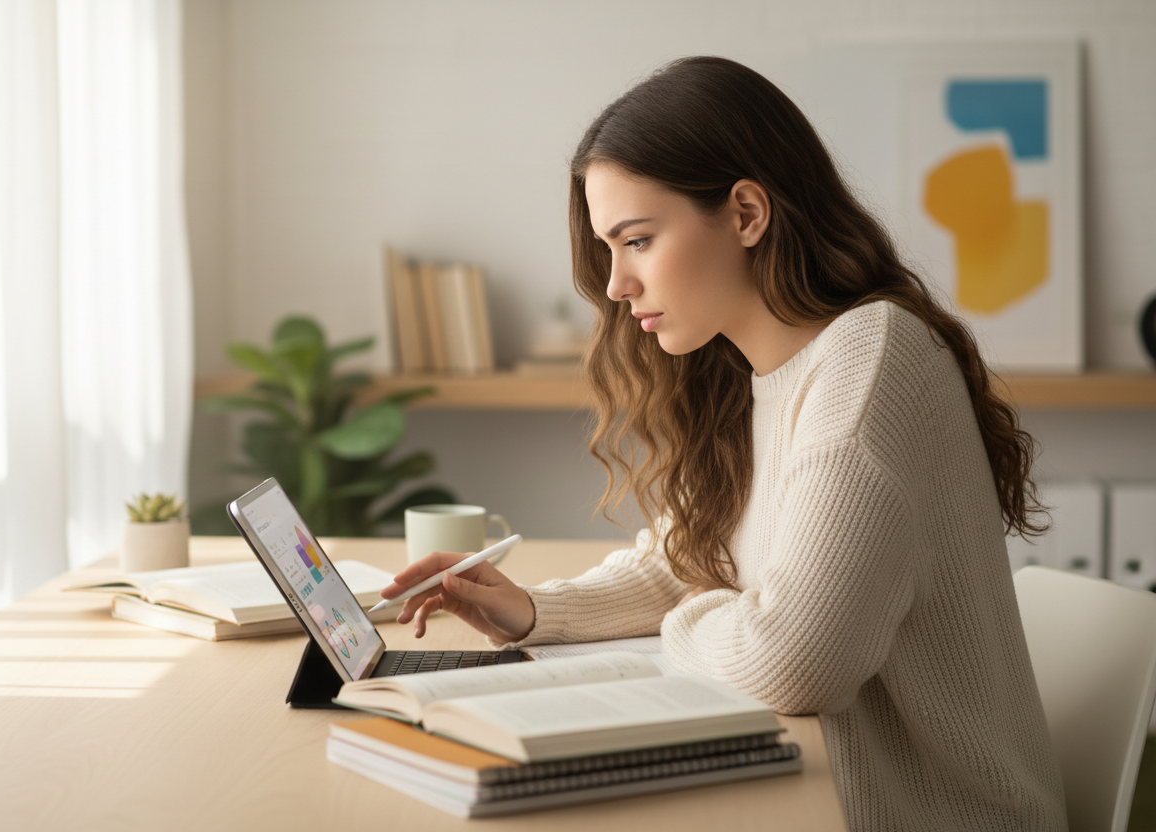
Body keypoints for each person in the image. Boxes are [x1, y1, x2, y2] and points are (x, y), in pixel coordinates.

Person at [379, 56, 1068, 831]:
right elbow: (688, 561)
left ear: (745, 213)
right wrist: (535, 611)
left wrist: (701, 615)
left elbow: (792, 664)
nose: (614, 284)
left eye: (636, 240)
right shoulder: (755, 373)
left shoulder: (869, 364)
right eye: (610, 248)